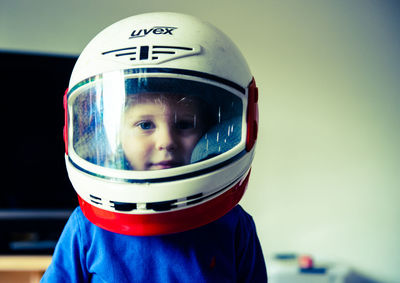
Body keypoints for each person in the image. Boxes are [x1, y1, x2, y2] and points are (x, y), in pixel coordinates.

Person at [41, 12, 267, 282]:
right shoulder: (88, 227)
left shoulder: (233, 227)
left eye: (185, 124)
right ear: (114, 137)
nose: (166, 142)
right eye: (145, 125)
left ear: (210, 136)